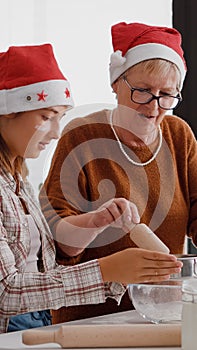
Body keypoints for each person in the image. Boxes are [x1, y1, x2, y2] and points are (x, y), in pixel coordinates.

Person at [0, 43, 181, 334]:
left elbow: (43, 273)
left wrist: (93, 223)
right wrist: (106, 270)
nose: (57, 131)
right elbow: (6, 294)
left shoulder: (17, 182)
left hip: (39, 322)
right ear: (7, 112)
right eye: (47, 117)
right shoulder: (77, 141)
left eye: (59, 118)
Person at [39, 21, 194, 324]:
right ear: (116, 83)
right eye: (143, 91)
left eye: (167, 95)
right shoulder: (81, 136)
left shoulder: (179, 135)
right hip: (88, 319)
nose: (154, 106)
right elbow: (58, 245)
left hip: (165, 314)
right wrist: (97, 221)